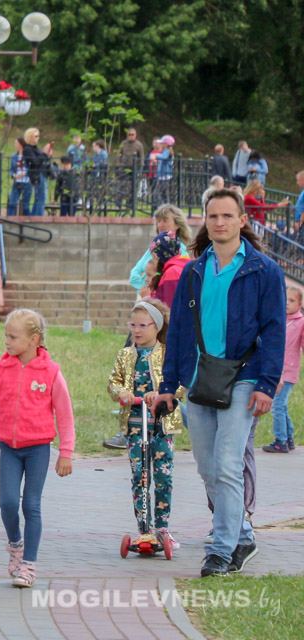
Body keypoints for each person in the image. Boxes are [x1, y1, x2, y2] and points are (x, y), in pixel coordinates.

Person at [155, 188, 285, 577]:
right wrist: (169, 383)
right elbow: (177, 330)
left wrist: (267, 383)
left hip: (244, 379)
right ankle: (242, 532)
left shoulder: (263, 270)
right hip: (198, 380)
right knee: (207, 467)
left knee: (228, 465)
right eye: (213, 216)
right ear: (205, 222)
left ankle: (222, 550)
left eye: (228, 216)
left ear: (242, 220)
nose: (220, 223)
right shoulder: (194, 271)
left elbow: (275, 330)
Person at [0, 309, 74, 588]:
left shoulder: (51, 372)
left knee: (31, 505)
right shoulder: (0, 370)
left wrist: (65, 452)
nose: (6, 341)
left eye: (12, 337)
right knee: (8, 503)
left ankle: (29, 565)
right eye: (6, 335)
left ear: (34, 340)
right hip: (9, 448)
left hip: (38, 449)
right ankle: (15, 544)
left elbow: (64, 414)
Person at [108, 299, 183, 550]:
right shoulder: (126, 354)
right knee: (140, 476)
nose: (137, 330)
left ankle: (162, 527)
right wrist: (122, 392)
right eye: (133, 325)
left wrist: (161, 392)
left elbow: (182, 385)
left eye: (143, 325)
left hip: (161, 424)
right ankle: (144, 529)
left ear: (156, 326)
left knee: (163, 475)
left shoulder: (168, 353)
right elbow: (113, 383)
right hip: (135, 425)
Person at [263, 286, 304, 453]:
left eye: (292, 300)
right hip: (277, 368)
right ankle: (288, 438)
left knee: (277, 405)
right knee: (283, 405)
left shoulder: (301, 322)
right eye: (285, 299)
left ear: (300, 304)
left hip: (288, 370)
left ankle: (280, 441)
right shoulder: (281, 319)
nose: (287, 303)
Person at [128, 204, 192, 298]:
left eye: (165, 221)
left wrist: (154, 289)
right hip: (144, 302)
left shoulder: (181, 252)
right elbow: (133, 275)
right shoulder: (154, 248)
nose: (160, 225)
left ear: (177, 224)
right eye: (158, 221)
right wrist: (147, 287)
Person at [22, 128, 52, 217]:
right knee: (41, 197)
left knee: (40, 197)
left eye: (38, 136)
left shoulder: (35, 148)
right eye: (36, 136)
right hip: (37, 175)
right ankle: (38, 215)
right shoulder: (27, 149)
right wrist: (44, 153)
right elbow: (35, 162)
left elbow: (42, 160)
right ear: (30, 137)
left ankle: (36, 215)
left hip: (41, 173)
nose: (38, 138)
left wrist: (48, 154)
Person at [7, 137, 32, 216]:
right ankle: (9, 220)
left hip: (26, 182)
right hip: (16, 182)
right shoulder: (14, 156)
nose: (15, 145)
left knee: (26, 206)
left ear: (21, 144)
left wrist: (24, 174)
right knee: (12, 203)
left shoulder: (28, 156)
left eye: (16, 143)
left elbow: (31, 168)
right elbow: (11, 169)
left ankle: (29, 221)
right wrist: (13, 175)